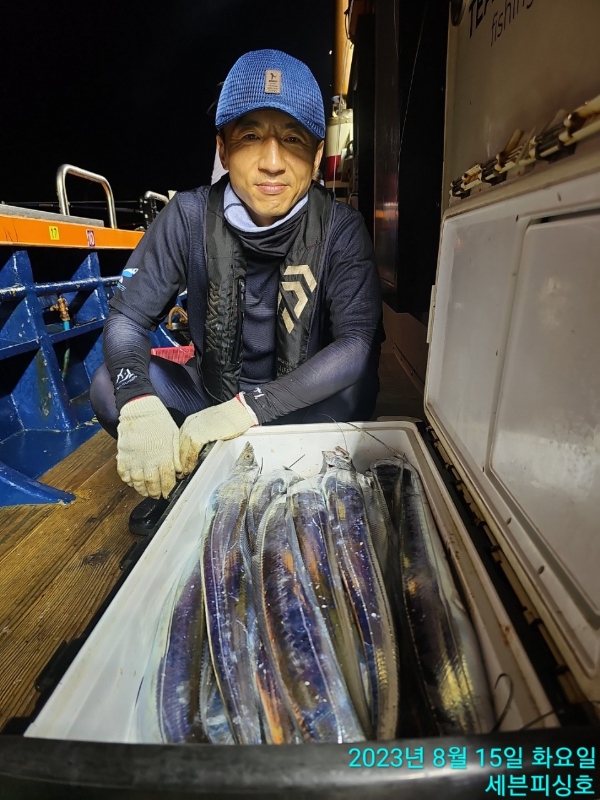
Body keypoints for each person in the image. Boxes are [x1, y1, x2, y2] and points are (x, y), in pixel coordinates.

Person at [90, 49, 383, 533]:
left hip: (300, 407)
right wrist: (139, 402)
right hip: (210, 400)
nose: (272, 163)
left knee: (358, 384)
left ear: (316, 156)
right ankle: (187, 480)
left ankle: (279, 485)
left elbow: (356, 344)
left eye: (293, 139)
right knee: (110, 384)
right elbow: (127, 319)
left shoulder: (342, 229)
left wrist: (250, 409)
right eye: (250, 137)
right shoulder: (186, 217)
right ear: (223, 150)